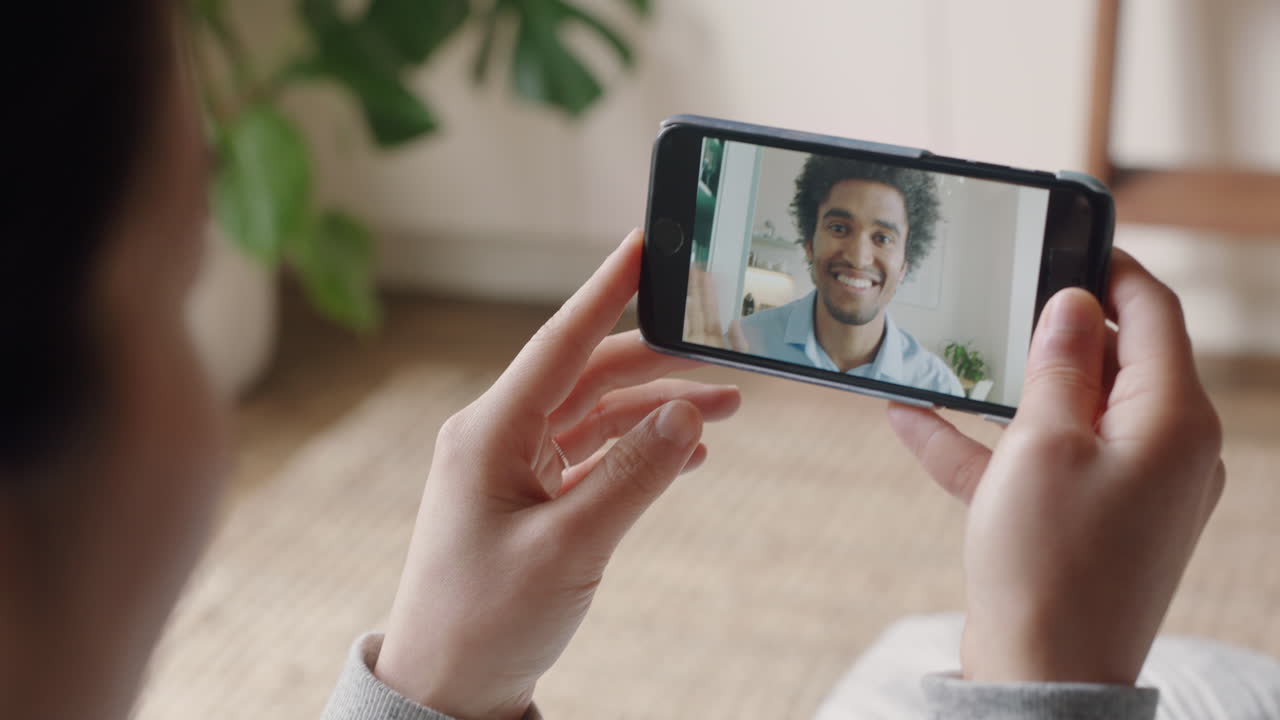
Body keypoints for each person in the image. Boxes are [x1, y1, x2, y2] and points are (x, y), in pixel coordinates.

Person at [0, 3, 1243, 719]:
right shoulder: (759, 325)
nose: (857, 253)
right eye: (175, 279)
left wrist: (434, 680)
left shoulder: (928, 353)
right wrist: (1046, 672)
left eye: (881, 234)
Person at [688, 155, 964, 397]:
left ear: (905, 263)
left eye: (882, 238)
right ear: (809, 242)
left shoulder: (938, 391)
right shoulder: (742, 348)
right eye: (839, 228)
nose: (857, 257)